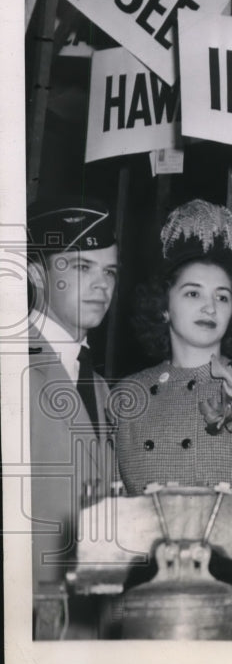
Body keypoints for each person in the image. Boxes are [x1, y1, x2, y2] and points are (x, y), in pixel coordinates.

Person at [112, 199, 232, 640]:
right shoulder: (128, 394)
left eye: (222, 296)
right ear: (164, 306)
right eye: (192, 293)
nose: (209, 307)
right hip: (145, 611)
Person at [26, 196, 119, 635]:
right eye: (82, 268)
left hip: (87, 629)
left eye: (110, 272)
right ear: (36, 274)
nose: (101, 285)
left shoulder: (99, 386)